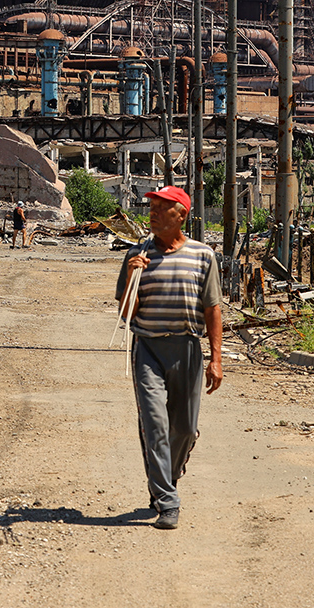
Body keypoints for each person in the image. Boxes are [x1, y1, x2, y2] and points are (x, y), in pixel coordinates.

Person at [115, 185, 222, 530]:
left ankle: (166, 477)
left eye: (163, 207)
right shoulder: (136, 256)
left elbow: (212, 308)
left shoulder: (203, 255)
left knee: (185, 429)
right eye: (152, 207)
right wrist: (133, 275)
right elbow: (127, 315)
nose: (154, 212)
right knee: (155, 424)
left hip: (188, 348)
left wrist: (216, 358)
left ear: (182, 215)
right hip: (148, 349)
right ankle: (167, 501)